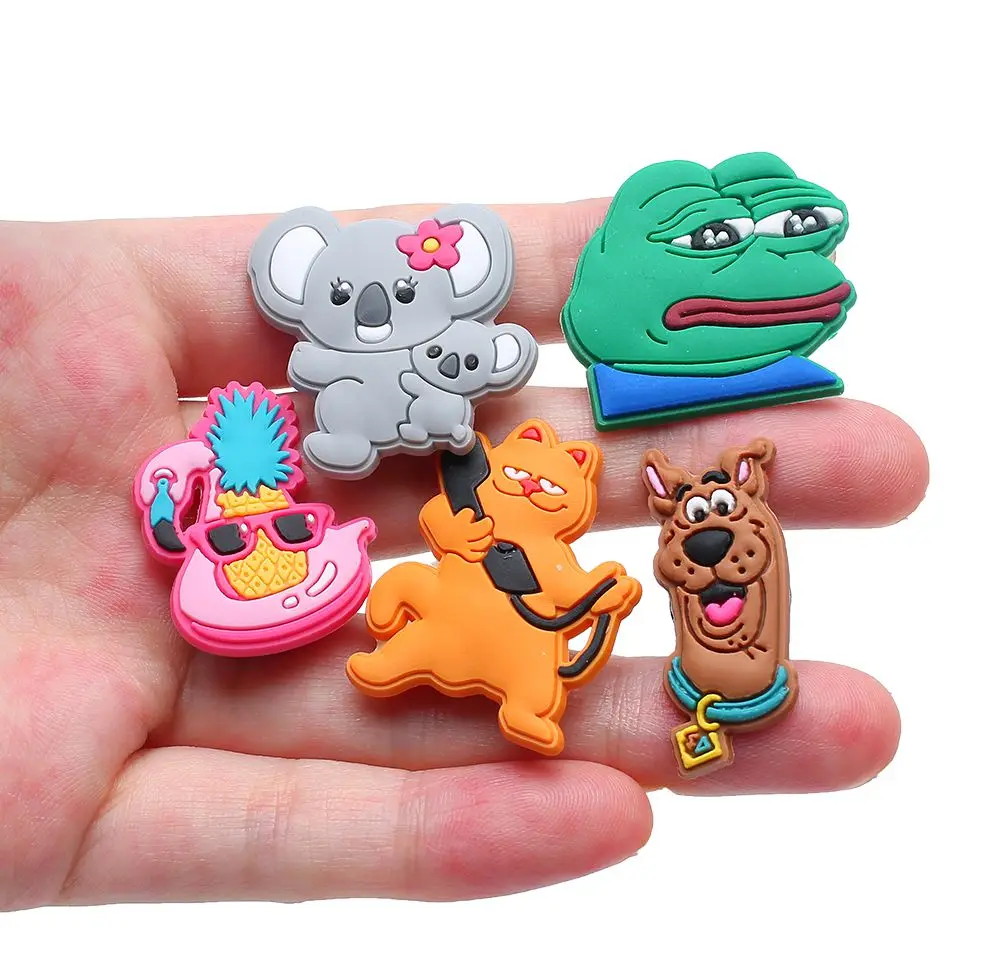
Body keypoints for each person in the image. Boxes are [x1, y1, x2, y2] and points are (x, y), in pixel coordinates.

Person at [0, 200, 928, 911]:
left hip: (513, 616)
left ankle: (498, 689)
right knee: (415, 615)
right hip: (410, 517)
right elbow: (410, 487)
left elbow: (562, 581)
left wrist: (591, 587)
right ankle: (393, 637)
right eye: (344, 296)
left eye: (284, 529)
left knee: (518, 671)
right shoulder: (415, 470)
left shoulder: (545, 527)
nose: (374, 306)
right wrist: (455, 521)